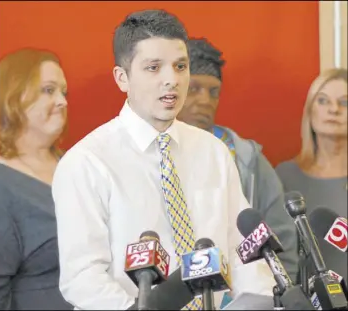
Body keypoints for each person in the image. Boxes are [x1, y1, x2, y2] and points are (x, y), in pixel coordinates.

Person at [52, 9, 277, 310]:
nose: (171, 80)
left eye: (180, 66)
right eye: (154, 68)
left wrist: (258, 301)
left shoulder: (213, 151)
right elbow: (82, 278)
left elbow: (242, 251)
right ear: (122, 78)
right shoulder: (86, 162)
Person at [177, 38, 299, 284]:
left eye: (213, 92)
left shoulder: (247, 159)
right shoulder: (148, 153)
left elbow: (282, 238)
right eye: (194, 88)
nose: (205, 101)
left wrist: (280, 294)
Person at [0, 48, 72, 310]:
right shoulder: (1, 184)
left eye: (64, 92)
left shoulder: (75, 165)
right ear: (13, 96)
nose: (62, 101)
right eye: (49, 90)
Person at [276, 68, 347, 281]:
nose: (333, 110)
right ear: (310, 110)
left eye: (344, 102)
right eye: (323, 101)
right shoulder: (285, 176)